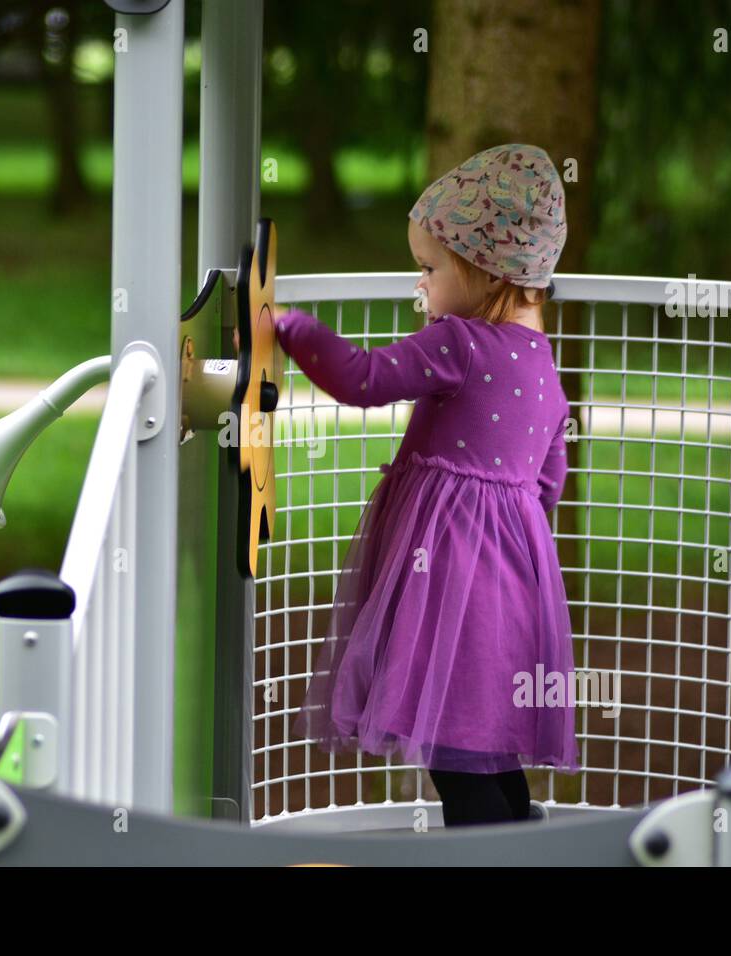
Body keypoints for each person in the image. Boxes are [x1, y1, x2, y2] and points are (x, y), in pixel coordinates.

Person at [275, 144, 581, 828]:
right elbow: (549, 483)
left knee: (452, 751)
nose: (422, 287)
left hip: (446, 586)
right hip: (513, 591)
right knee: (490, 749)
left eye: (429, 269)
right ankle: (523, 844)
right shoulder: (546, 366)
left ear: (481, 270)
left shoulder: (460, 343)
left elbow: (362, 378)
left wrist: (288, 328)